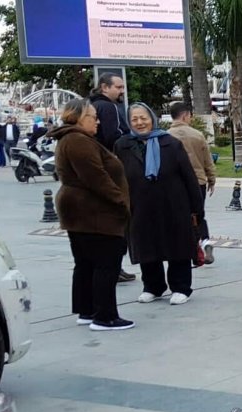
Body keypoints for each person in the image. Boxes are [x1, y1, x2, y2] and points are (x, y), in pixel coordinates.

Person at [50, 99, 133, 331]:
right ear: (78, 117)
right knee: (106, 262)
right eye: (92, 116)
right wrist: (121, 201)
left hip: (82, 210)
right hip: (94, 211)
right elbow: (96, 177)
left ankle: (87, 310)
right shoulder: (78, 140)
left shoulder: (72, 138)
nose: (97, 121)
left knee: (86, 262)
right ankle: (105, 316)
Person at [115, 103, 204, 305]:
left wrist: (196, 208)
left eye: (143, 118)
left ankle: (181, 287)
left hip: (173, 204)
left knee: (177, 247)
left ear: (152, 118)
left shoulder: (170, 143)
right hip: (139, 205)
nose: (139, 123)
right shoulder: (123, 145)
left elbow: (188, 176)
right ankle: (153, 287)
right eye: (134, 119)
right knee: (147, 247)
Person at [89, 72, 137, 282]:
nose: (121, 91)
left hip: (99, 169)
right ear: (104, 87)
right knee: (119, 220)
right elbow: (114, 136)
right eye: (118, 87)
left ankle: (110, 266)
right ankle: (113, 267)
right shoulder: (108, 107)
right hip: (113, 169)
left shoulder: (92, 105)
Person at [167, 102, 217, 265]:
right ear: (185, 115)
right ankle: (205, 242)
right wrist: (211, 179)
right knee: (198, 214)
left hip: (175, 183)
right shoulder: (197, 135)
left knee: (179, 217)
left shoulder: (165, 136)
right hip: (198, 181)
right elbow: (207, 160)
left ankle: (188, 249)